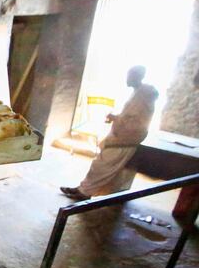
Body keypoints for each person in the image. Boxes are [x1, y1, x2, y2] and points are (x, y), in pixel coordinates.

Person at [61, 65, 158, 201]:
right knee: (102, 164)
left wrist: (116, 118)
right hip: (123, 134)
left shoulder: (143, 96)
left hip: (127, 137)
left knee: (101, 165)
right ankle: (83, 189)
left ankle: (85, 191)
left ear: (137, 77)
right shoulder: (138, 93)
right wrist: (117, 117)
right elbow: (129, 116)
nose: (127, 79)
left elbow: (135, 121)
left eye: (130, 76)